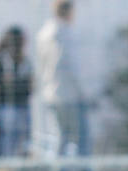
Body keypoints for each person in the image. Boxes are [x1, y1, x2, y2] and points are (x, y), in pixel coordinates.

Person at [35, 0, 90, 159]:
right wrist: (83, 92)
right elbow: (70, 66)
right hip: (69, 95)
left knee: (62, 137)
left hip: (51, 94)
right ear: (68, 11)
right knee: (82, 138)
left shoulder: (44, 33)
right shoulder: (64, 33)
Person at [0, 26, 32, 159]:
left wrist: (16, 84)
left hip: (21, 106)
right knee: (7, 140)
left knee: (21, 140)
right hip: (5, 106)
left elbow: (29, 85)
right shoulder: (0, 59)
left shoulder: (25, 61)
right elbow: (2, 85)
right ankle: (7, 165)